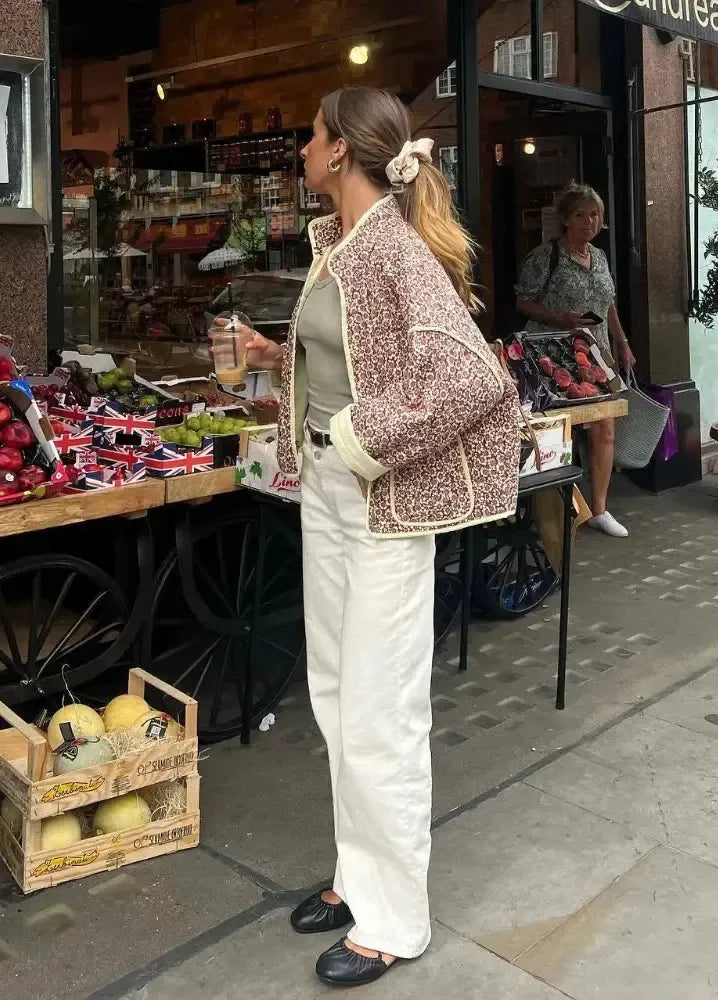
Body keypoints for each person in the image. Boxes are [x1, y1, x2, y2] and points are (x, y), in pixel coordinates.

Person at [232, 87, 520, 987]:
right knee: (335, 696)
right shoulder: (342, 245)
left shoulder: (393, 246)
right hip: (329, 493)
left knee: (381, 710)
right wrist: (280, 360)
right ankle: (360, 880)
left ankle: (396, 920)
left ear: (341, 152)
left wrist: (359, 441)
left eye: (311, 135)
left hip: (379, 504)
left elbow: (471, 378)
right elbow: (364, 356)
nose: (302, 149)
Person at [516, 182, 636, 538]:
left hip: (594, 354)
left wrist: (623, 343)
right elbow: (523, 302)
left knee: (604, 424)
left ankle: (599, 509)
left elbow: (608, 304)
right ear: (566, 219)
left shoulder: (598, 257)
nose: (589, 221)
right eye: (580, 214)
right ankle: (556, 509)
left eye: (594, 214)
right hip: (553, 354)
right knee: (559, 428)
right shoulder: (545, 256)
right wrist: (561, 318)